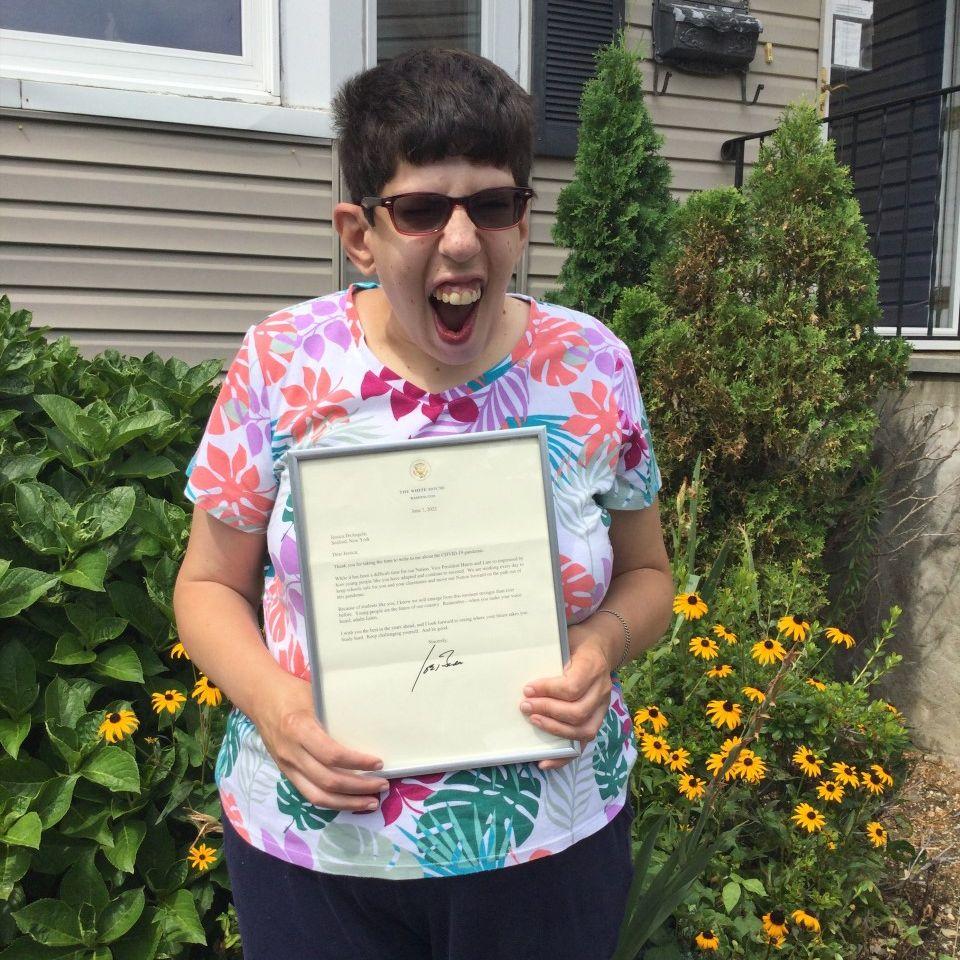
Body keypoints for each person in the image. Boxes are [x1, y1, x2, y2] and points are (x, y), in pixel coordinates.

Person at [173, 47, 674, 960]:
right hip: (320, 852)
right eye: (418, 209)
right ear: (359, 233)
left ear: (523, 221)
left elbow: (647, 575)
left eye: (491, 204)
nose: (459, 240)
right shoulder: (284, 361)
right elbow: (206, 586)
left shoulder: (592, 364)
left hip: (545, 845)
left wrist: (602, 645)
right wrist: (277, 706)